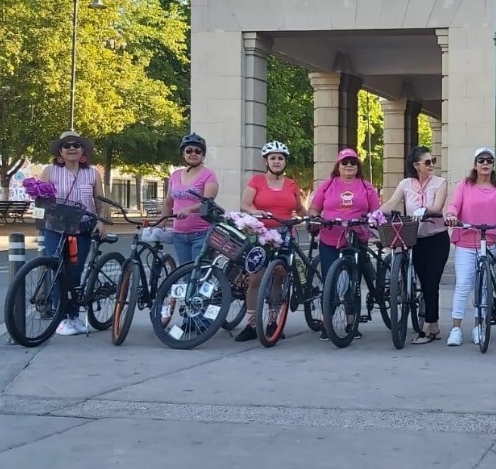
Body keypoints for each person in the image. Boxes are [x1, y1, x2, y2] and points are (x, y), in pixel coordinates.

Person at [235, 141, 307, 343]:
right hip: (261, 233)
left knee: (278, 277)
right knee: (255, 278)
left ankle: (273, 321)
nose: (277, 161)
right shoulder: (256, 181)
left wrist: (311, 218)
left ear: (285, 161)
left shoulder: (291, 184)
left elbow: (299, 208)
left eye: (280, 158)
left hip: (285, 233)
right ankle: (250, 324)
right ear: (266, 161)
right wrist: (253, 211)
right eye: (273, 158)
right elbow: (244, 204)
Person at [442, 147, 496, 347]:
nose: (485, 163)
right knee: (464, 284)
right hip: (467, 241)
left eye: (489, 161)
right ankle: (456, 328)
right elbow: (454, 205)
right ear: (475, 165)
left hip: (490, 241)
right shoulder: (465, 185)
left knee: (483, 287)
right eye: (481, 160)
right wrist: (450, 215)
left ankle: (478, 326)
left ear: (493, 166)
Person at [308, 148, 381, 340]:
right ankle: (326, 322)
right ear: (338, 166)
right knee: (329, 281)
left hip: (356, 239)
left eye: (353, 163)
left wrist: (374, 222)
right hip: (330, 238)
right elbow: (315, 207)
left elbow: (376, 211)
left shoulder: (366, 187)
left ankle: (351, 322)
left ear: (358, 166)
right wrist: (315, 218)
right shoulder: (327, 185)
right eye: (345, 163)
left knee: (352, 282)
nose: (349, 166)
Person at [379, 146, 450, 345]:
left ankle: (429, 325)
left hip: (437, 237)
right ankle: (432, 325)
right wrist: (376, 213)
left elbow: (437, 207)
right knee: (422, 280)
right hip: (415, 238)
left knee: (431, 281)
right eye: (427, 162)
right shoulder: (406, 184)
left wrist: (425, 209)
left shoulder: (440, 182)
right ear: (416, 165)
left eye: (433, 161)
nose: (432, 165)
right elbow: (392, 202)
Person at [42, 132, 110, 336]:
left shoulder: (92, 173)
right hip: (55, 227)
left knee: (75, 271)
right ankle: (60, 318)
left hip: (82, 228)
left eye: (77, 145)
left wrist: (102, 221)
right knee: (57, 269)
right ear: (60, 151)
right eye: (67, 145)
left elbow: (100, 201)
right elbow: (40, 198)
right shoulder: (50, 171)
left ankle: (73, 316)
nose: (72, 148)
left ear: (83, 150)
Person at [162, 133, 219, 266]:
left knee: (198, 273)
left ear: (203, 155)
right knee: (185, 274)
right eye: (189, 150)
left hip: (201, 233)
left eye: (198, 151)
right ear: (183, 154)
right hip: (179, 234)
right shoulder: (175, 175)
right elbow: (168, 203)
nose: (193, 154)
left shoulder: (208, 174)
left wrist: (189, 209)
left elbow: (208, 201)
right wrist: (161, 223)